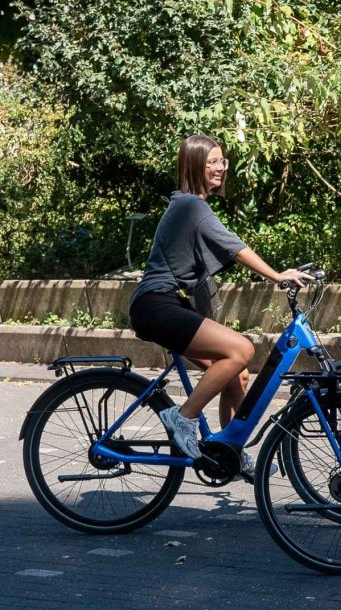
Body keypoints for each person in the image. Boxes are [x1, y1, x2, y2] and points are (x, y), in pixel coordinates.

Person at [129, 134, 313, 473]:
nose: (219, 168)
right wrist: (277, 276)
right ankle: (183, 417)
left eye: (222, 161)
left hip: (167, 306)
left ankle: (230, 450)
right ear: (193, 165)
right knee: (242, 349)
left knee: (237, 375)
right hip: (157, 305)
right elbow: (234, 247)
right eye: (211, 161)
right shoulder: (190, 205)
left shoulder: (191, 206)